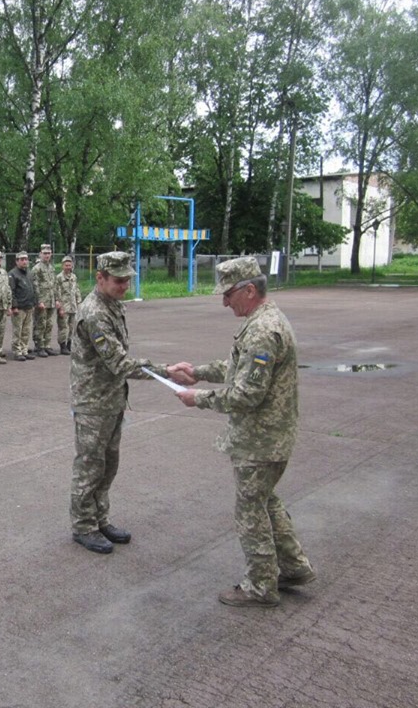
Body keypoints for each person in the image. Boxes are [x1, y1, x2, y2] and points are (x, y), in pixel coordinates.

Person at [174, 257, 315, 607]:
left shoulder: (263, 330)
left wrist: (198, 398)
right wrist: (198, 372)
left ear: (249, 290)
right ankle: (294, 566)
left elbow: (247, 394)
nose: (225, 302)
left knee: (250, 511)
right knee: (266, 500)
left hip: (260, 440)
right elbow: (240, 367)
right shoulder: (264, 321)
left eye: (228, 294)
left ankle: (261, 586)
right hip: (268, 437)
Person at [69, 251, 192, 554]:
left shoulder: (112, 304)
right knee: (90, 466)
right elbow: (119, 363)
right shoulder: (94, 313)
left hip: (111, 399)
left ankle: (100, 519)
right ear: (100, 278)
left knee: (108, 465)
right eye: (119, 280)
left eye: (127, 280)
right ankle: (84, 526)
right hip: (93, 403)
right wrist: (166, 371)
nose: (125, 286)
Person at [31, 243, 60, 357]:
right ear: (40, 254)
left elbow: (55, 284)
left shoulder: (51, 267)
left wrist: (57, 299)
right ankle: (39, 346)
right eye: (45, 253)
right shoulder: (37, 268)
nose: (47, 255)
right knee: (40, 324)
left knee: (49, 324)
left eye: (48, 253)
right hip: (42, 301)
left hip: (51, 300)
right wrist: (39, 301)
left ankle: (47, 345)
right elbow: (35, 286)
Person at [8, 251, 37, 361]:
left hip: (28, 306)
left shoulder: (29, 273)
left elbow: (32, 288)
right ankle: (17, 351)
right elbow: (11, 291)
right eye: (22, 260)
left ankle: (24, 350)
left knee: (26, 330)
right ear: (17, 261)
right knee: (18, 331)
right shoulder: (13, 274)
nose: (25, 261)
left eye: (26, 259)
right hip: (19, 308)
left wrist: (33, 303)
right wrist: (14, 306)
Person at [55, 255, 82, 355]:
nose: (68, 267)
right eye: (66, 265)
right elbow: (57, 293)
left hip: (73, 306)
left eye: (69, 265)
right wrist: (60, 307)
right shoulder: (59, 278)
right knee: (63, 327)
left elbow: (77, 290)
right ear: (62, 266)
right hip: (64, 306)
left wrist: (79, 302)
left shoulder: (73, 277)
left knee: (72, 327)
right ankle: (62, 346)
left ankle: (69, 345)